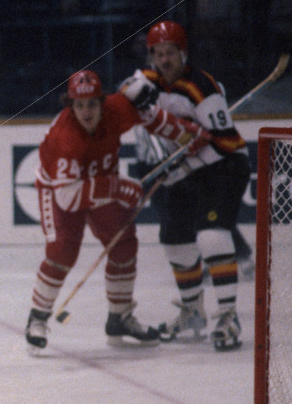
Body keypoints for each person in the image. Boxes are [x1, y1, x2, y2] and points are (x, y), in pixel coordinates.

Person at [25, 69, 212, 352]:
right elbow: (68, 198)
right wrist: (119, 189)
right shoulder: (66, 139)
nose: (86, 112)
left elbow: (151, 116)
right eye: (79, 105)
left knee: (124, 245)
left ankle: (120, 317)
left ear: (102, 102)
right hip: (60, 189)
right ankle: (36, 319)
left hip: (101, 181)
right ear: (70, 105)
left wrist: (186, 135)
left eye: (92, 104)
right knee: (63, 251)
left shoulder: (117, 109)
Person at [124, 21, 250, 351]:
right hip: (187, 171)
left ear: (184, 53)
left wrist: (185, 163)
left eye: (171, 53)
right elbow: (125, 96)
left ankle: (227, 316)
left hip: (224, 167)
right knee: (174, 238)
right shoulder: (146, 81)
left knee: (211, 236)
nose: (164, 60)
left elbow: (225, 142)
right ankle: (193, 312)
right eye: (158, 54)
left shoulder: (201, 87)